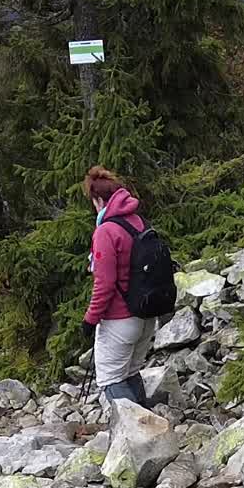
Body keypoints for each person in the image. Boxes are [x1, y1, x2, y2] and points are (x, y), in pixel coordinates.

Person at [81, 165, 155, 408]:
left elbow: (105, 283)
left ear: (99, 200)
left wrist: (90, 320)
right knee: (131, 372)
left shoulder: (106, 231)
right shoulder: (137, 222)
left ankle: (135, 439)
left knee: (112, 379)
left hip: (120, 319)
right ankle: (150, 431)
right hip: (146, 314)